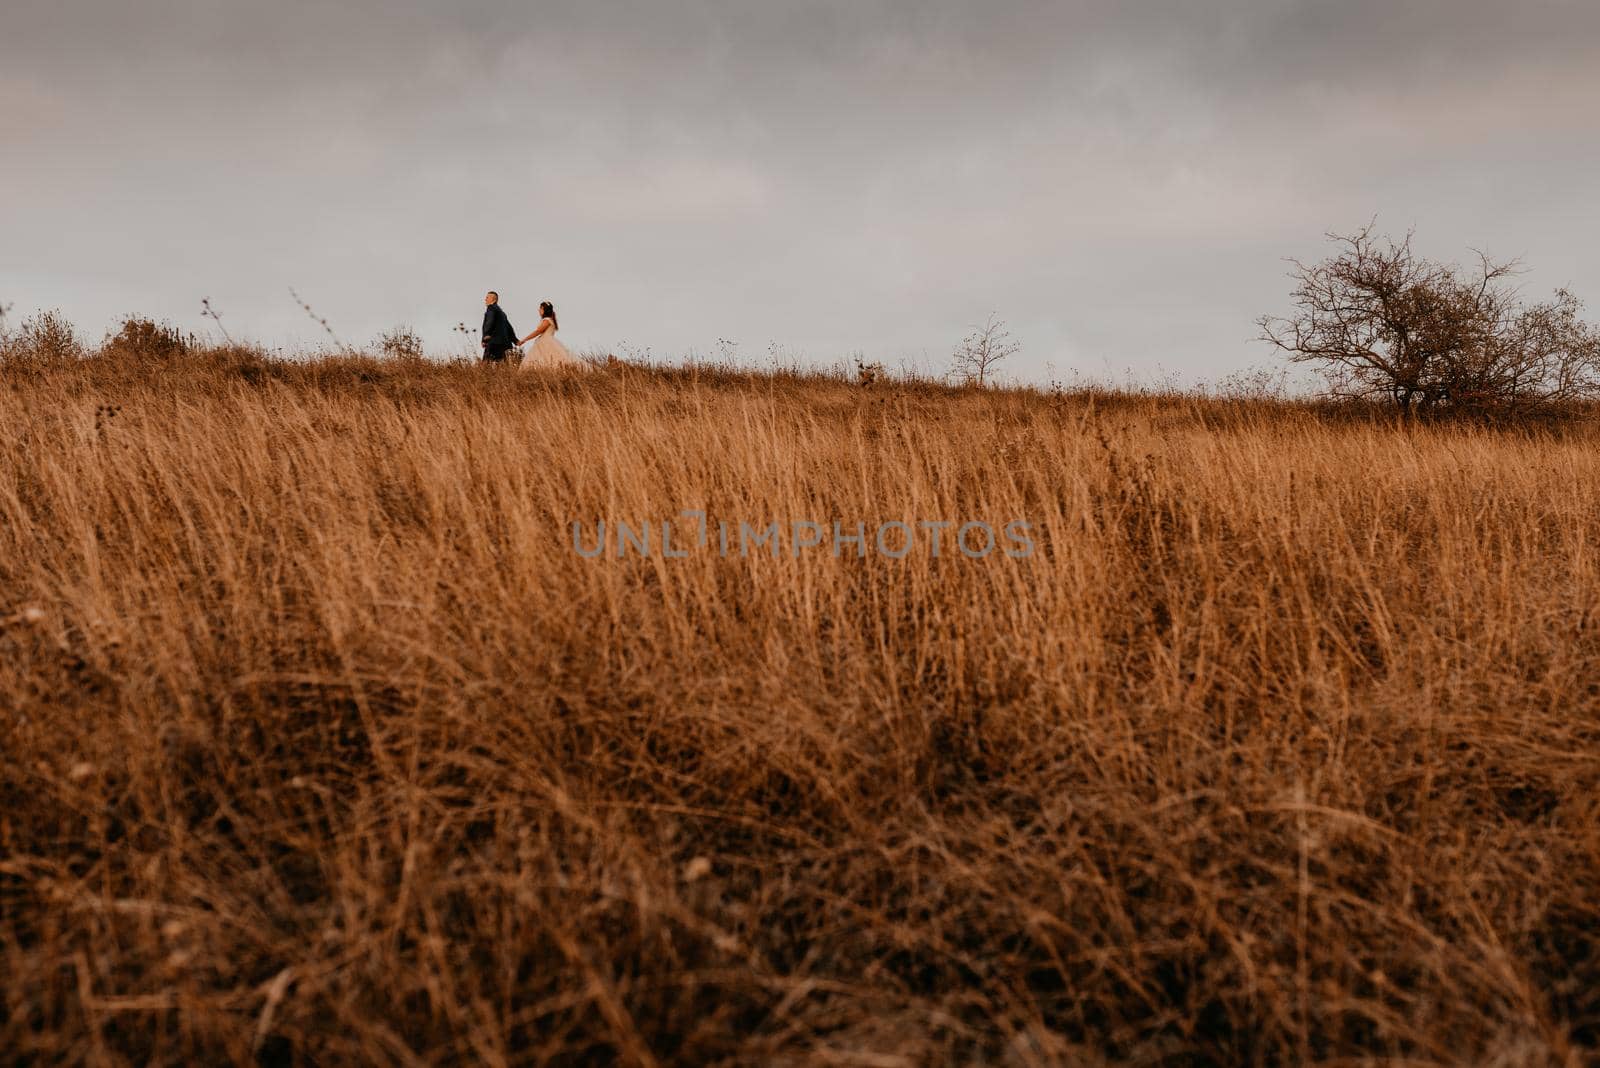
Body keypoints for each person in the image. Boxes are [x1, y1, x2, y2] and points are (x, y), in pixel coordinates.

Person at [517, 301, 582, 371]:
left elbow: (537, 332)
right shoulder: (549, 320)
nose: (539, 310)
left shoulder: (547, 320)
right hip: (546, 341)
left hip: (545, 342)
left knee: (549, 359)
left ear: (545, 310)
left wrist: (524, 340)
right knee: (548, 360)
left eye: (541, 308)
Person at [480, 291, 517, 362]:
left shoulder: (491, 308)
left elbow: (489, 322)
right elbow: (509, 327)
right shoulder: (502, 313)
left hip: (493, 341)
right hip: (503, 344)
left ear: (493, 299)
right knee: (500, 366)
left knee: (486, 365)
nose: (485, 299)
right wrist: (515, 340)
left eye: (487, 297)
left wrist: (485, 337)